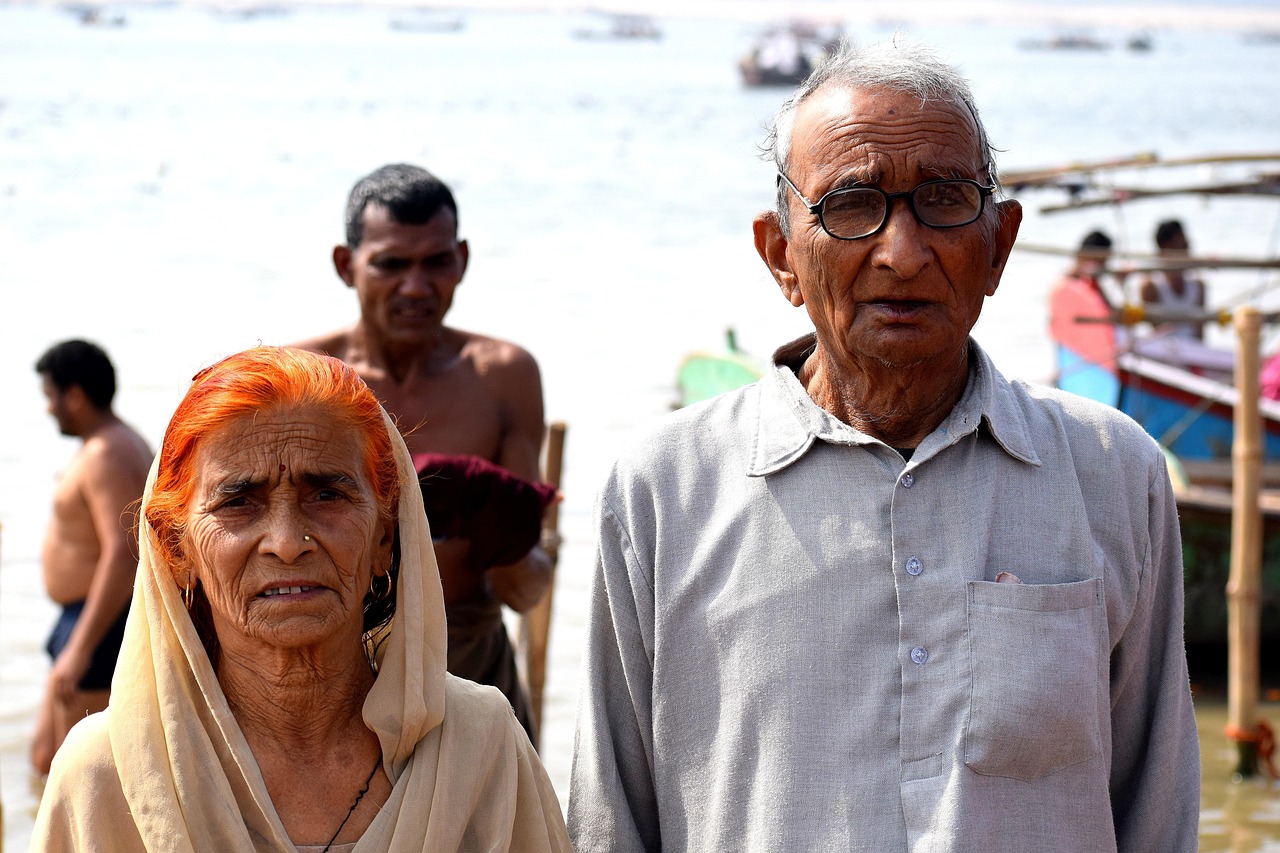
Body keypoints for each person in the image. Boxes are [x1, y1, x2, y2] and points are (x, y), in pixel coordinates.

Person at [568, 39, 1200, 852]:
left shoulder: (1115, 473)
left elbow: (1159, 814)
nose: (902, 252)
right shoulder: (662, 488)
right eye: (851, 206)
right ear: (780, 255)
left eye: (943, 200)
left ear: (999, 246)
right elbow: (609, 820)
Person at [31, 346, 572, 851]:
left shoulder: (480, 747)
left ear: (386, 537)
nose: (288, 543)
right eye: (239, 501)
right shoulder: (106, 772)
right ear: (177, 549)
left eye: (328, 494)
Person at [293, 163, 554, 744]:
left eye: (435, 262)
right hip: (332, 673)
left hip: (470, 657)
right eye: (391, 264)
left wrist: (492, 526)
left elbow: (526, 587)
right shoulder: (304, 384)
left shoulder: (501, 376)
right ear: (346, 265)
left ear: (461, 260)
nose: (416, 286)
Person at [30, 339, 153, 776]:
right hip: (83, 618)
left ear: (75, 395)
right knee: (47, 759)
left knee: (86, 775)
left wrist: (80, 648)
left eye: (50, 396)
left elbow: (125, 551)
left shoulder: (107, 452)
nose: (48, 409)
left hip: (100, 622)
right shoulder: (110, 444)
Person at [1140, 218, 1207, 340]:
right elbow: (1157, 331)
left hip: (1194, 353)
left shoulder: (1198, 285)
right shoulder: (1150, 287)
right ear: (1167, 247)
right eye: (1183, 245)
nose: (1188, 249)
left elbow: (1200, 335)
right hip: (1163, 352)